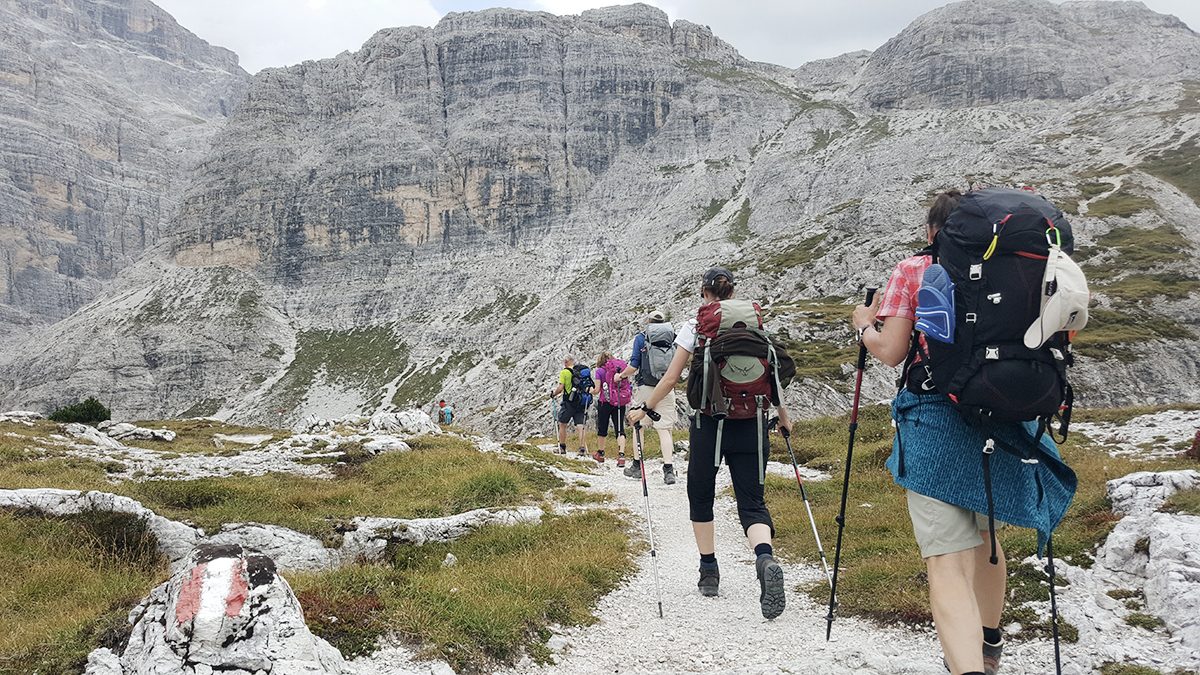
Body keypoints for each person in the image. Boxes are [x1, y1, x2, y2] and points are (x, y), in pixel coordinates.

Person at [850, 191, 1075, 675]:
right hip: (1012, 413)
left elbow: (890, 351)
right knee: (987, 534)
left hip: (936, 416)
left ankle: (967, 665)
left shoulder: (914, 269)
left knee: (947, 558)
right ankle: (989, 645)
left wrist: (863, 325)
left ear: (935, 233)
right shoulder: (1031, 265)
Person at [628, 268, 791, 620]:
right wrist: (783, 414)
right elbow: (774, 371)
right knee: (752, 502)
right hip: (752, 423)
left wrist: (645, 408)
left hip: (709, 424)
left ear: (704, 292)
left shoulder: (695, 326)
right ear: (733, 291)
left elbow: (671, 378)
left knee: (701, 495)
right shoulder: (754, 324)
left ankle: (709, 570)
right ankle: (764, 558)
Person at [616, 310, 678, 484]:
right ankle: (669, 470)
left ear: (648, 322)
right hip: (666, 387)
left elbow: (634, 365)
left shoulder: (641, 338)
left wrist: (620, 376)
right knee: (664, 429)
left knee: (639, 426)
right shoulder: (672, 337)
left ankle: (637, 466)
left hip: (646, 388)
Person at [591, 352, 631, 466]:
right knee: (620, 428)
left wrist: (590, 390)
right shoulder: (619, 369)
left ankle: (601, 454)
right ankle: (621, 456)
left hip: (605, 402)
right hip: (619, 401)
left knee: (602, 428)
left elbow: (597, 390)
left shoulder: (599, 371)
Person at [550, 356, 589, 457]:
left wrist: (554, 394)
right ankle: (582, 449)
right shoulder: (581, 372)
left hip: (569, 403)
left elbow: (561, 387)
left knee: (562, 423)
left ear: (566, 362)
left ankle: (562, 447)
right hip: (581, 403)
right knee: (580, 426)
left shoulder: (564, 372)